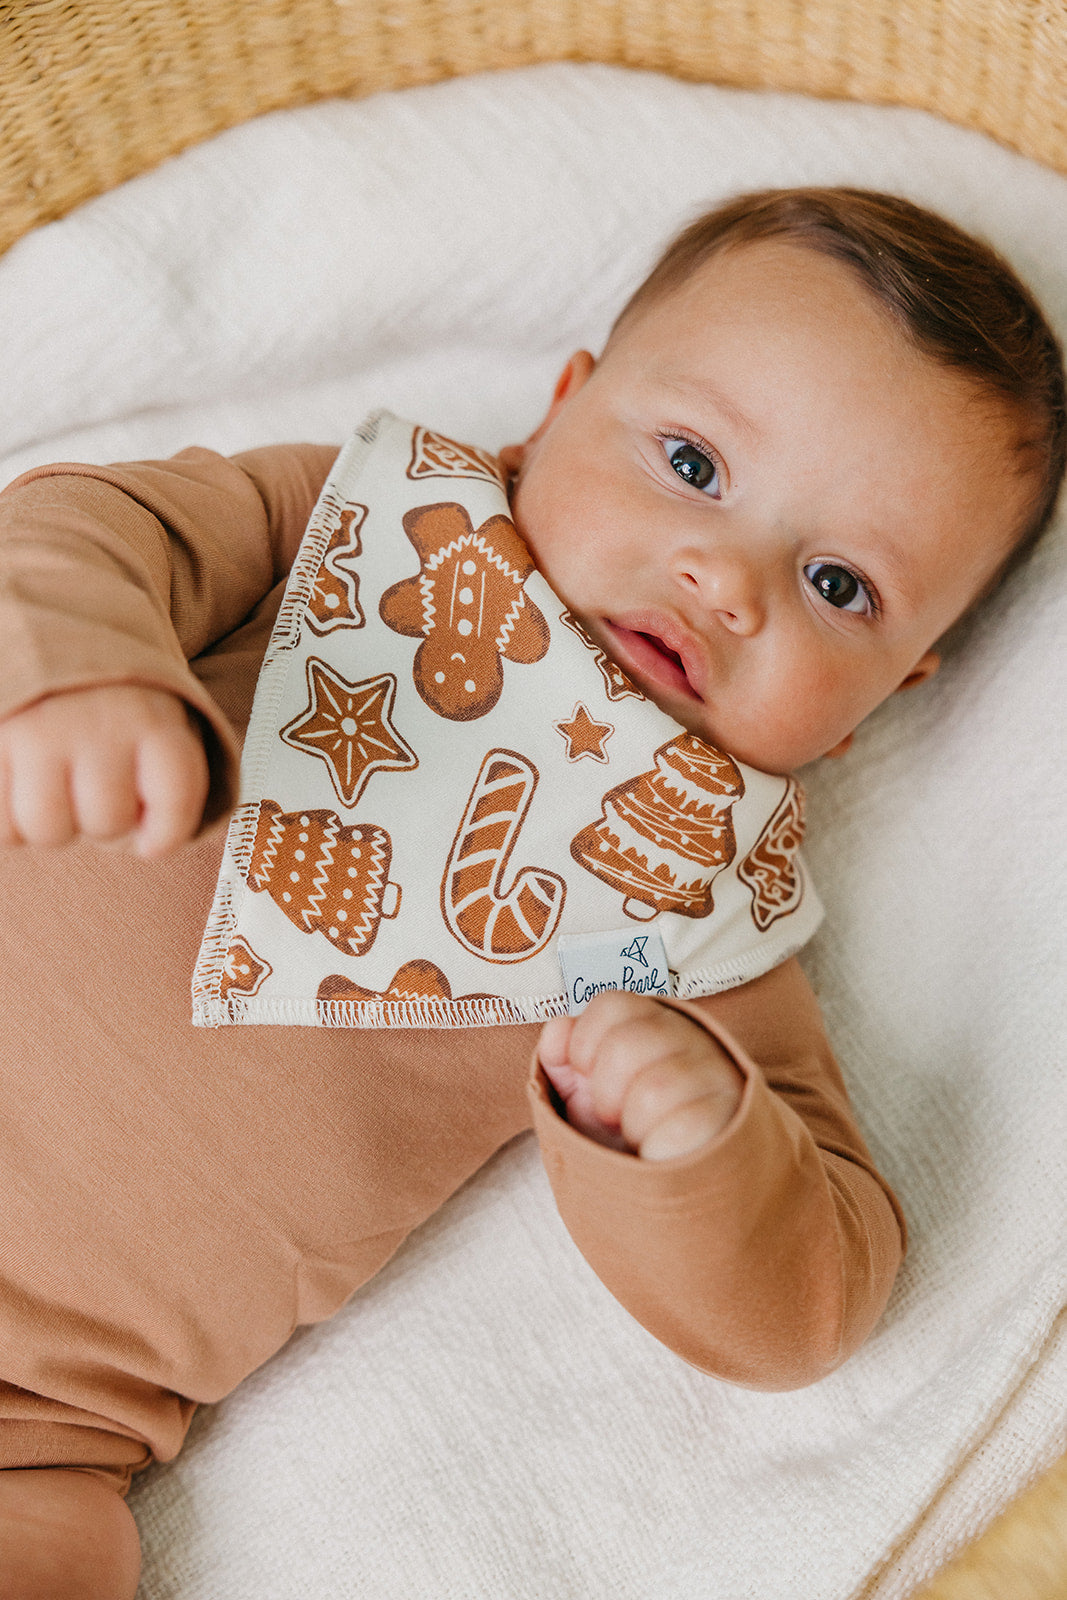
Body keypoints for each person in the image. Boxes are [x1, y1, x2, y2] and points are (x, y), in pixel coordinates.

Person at [0, 187, 1062, 1599]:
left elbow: (820, 1299)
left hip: (40, 1407)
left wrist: (697, 1143)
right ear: (564, 405)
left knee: (70, 1556)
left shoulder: (697, 903)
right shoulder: (360, 516)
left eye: (838, 585)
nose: (725, 578)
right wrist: (84, 668)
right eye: (692, 460)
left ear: (888, 696)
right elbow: (87, 530)